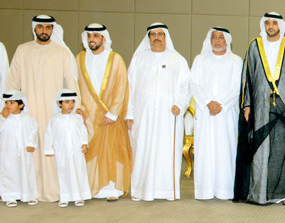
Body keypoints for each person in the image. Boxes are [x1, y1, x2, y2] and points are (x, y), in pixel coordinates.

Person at [6, 15, 81, 202]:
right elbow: (13, 80)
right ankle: (29, 191)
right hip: (28, 110)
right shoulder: (22, 50)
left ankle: (55, 189)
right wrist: (9, 106)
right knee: (30, 147)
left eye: (48, 27)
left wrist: (76, 106)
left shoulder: (61, 53)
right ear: (34, 28)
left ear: (52, 29)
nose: (44, 31)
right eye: (40, 27)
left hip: (53, 110)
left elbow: (71, 81)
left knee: (53, 146)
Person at [233, 12, 285, 206]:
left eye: (274, 23)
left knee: (284, 150)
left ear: (281, 25)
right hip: (260, 106)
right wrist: (247, 104)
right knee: (260, 149)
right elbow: (247, 76)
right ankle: (258, 193)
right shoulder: (254, 46)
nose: (270, 26)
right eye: (267, 23)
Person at [125, 23, 190, 201]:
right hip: (142, 114)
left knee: (166, 151)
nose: (156, 37)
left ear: (166, 37)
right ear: (148, 38)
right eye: (153, 34)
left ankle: (167, 191)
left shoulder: (177, 59)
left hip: (169, 115)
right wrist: (129, 113)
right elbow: (129, 88)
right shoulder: (139, 59)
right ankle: (140, 191)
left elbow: (186, 87)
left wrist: (180, 104)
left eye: (160, 34)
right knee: (142, 149)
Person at [76, 23, 132, 201]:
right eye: (89, 36)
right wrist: (79, 108)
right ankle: (92, 188)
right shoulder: (80, 59)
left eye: (95, 36)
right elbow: (75, 86)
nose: (91, 39)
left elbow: (121, 87)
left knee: (111, 151)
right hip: (87, 116)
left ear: (103, 38)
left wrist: (113, 113)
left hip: (109, 115)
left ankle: (111, 189)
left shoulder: (115, 59)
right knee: (89, 150)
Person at [190, 27, 243, 200]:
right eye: (214, 37)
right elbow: (194, 84)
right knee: (204, 150)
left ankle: (224, 190)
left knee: (225, 151)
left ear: (227, 40)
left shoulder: (236, 61)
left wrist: (221, 105)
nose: (217, 40)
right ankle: (204, 190)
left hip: (226, 114)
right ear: (210, 40)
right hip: (205, 112)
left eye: (221, 37)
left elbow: (237, 87)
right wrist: (208, 102)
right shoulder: (200, 60)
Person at [43, 89, 92, 207]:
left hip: (77, 150)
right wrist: (49, 149)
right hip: (61, 151)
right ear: (59, 103)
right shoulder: (55, 119)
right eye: (66, 102)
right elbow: (49, 134)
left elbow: (83, 131)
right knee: (63, 173)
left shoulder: (77, 118)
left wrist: (84, 143)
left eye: (72, 102)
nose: (70, 105)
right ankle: (65, 197)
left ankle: (79, 196)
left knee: (79, 171)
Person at [0, 91, 38, 206]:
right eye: (7, 103)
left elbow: (34, 130)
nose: (8, 105)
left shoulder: (28, 118)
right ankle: (10, 196)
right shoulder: (4, 118)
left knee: (26, 171)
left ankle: (28, 194)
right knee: (9, 172)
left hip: (24, 151)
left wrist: (31, 143)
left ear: (21, 104)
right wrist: (2, 118)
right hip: (7, 151)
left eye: (12, 103)